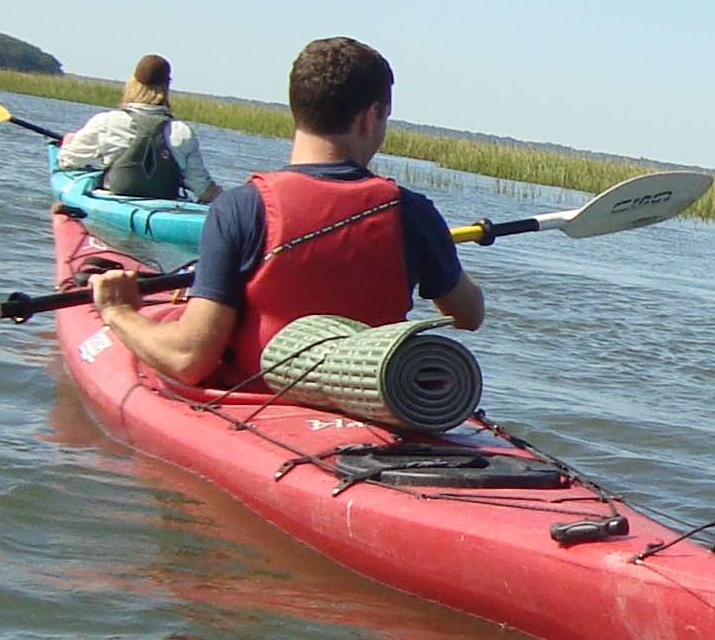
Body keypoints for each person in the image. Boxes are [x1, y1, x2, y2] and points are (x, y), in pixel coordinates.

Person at [86, 36, 484, 388]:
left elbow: (188, 359)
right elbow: (469, 314)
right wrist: (433, 248)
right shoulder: (413, 212)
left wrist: (118, 311)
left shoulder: (241, 207)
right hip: (367, 397)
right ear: (370, 116)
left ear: (297, 107)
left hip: (263, 401)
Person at [56, 54, 218, 202]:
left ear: (132, 83)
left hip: (114, 201)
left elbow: (67, 161)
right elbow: (203, 190)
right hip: (167, 206)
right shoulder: (182, 132)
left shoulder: (107, 122)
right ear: (166, 86)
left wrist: (68, 142)